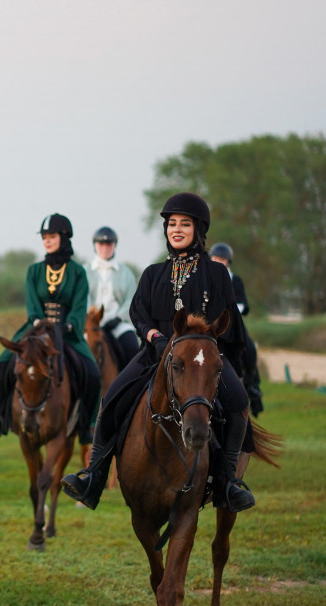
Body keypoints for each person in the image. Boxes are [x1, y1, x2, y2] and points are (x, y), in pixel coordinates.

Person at [61, 193, 256, 512]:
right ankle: (93, 477)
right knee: (111, 399)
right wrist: (154, 335)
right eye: (172, 224)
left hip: (200, 360)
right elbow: (138, 313)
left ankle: (227, 483)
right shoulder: (152, 273)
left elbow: (227, 320)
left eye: (185, 224)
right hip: (155, 352)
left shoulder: (217, 274)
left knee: (238, 404)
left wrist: (205, 344)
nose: (177, 229)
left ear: (199, 229)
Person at [0, 214, 100, 445]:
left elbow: (79, 305)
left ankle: (87, 425)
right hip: (35, 330)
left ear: (64, 238)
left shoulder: (77, 272)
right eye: (44, 237)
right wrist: (37, 321)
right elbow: (33, 303)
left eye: (51, 236)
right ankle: (1, 417)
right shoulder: (34, 271)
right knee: (2, 363)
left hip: (67, 331)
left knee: (93, 372)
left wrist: (70, 325)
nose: (47, 240)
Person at [210, 242, 264, 415]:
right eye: (216, 258)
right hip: (210, 324)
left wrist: (233, 311)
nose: (219, 261)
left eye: (222, 259)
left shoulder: (235, 280)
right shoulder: (207, 277)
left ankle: (252, 383)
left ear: (228, 262)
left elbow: (243, 303)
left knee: (248, 347)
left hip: (233, 323)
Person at [85, 226, 139, 367]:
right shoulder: (84, 271)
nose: (105, 247)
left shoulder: (126, 273)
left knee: (132, 347)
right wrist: (91, 318)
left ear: (114, 245)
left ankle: (132, 385)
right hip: (90, 323)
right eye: (101, 244)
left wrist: (118, 318)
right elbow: (83, 298)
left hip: (117, 323)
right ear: (95, 245)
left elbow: (131, 300)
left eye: (109, 244)